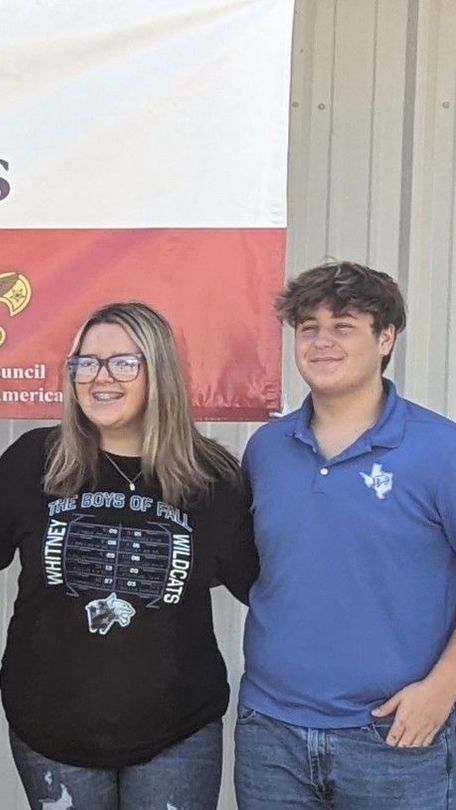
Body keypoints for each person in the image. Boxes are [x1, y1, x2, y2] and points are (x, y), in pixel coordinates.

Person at [0, 302, 255, 810]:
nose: (100, 377)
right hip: (53, 734)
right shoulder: (37, 459)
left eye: (123, 362)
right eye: (86, 362)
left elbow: (267, 584)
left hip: (177, 732)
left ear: (159, 372)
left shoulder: (211, 477)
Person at [234, 261, 456, 809]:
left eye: (344, 326)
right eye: (308, 327)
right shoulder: (266, 449)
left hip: (396, 736)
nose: (321, 341)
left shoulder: (440, 450)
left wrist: (444, 687)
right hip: (270, 733)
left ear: (386, 338)